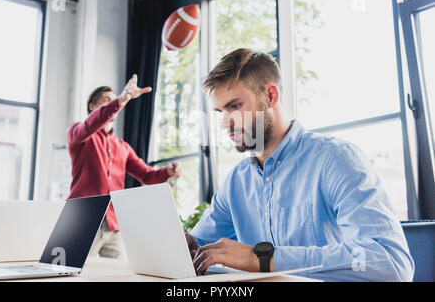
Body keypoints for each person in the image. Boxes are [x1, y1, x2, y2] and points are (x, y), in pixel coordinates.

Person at [185, 48, 414, 281]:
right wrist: (182, 246)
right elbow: (199, 246)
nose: (225, 124)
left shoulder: (335, 159)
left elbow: (391, 263)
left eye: (234, 106)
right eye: (220, 112)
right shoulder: (237, 181)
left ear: (271, 96)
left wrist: (262, 259)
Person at [68, 74, 181, 259]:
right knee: (70, 273)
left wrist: (167, 171)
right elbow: (90, 125)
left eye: (115, 100)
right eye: (107, 100)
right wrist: (121, 99)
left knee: (117, 276)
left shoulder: (123, 147)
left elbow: (147, 176)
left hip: (114, 223)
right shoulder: (77, 133)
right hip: (81, 220)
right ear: (92, 106)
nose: (114, 103)